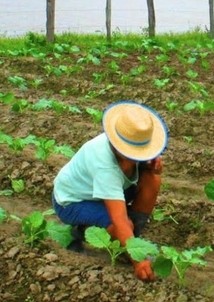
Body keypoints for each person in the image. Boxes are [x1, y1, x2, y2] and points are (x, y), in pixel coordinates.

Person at [52, 100, 168, 282]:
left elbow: (146, 177)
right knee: (122, 225)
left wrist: (152, 169)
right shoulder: (104, 165)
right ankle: (78, 231)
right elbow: (119, 219)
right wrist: (139, 261)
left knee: (152, 178)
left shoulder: (133, 151)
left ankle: (130, 241)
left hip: (101, 191)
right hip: (73, 201)